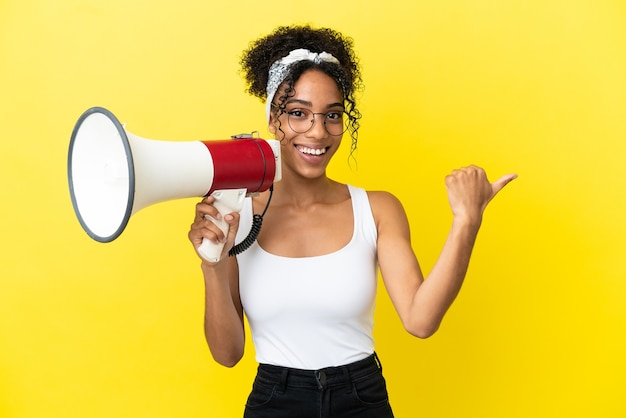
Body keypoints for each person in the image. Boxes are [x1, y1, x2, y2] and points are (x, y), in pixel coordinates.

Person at [188, 25, 517, 418]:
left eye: (332, 116)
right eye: (298, 114)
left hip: (361, 398)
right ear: (273, 121)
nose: (318, 131)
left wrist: (466, 221)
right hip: (276, 399)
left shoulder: (377, 209)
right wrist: (212, 264)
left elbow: (421, 320)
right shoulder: (237, 216)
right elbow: (227, 354)